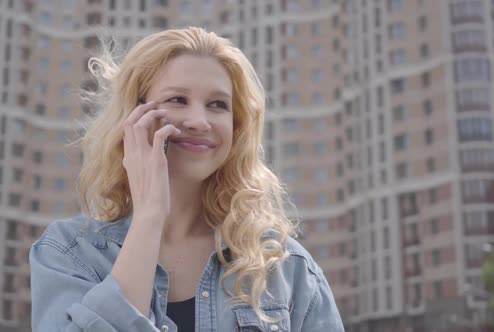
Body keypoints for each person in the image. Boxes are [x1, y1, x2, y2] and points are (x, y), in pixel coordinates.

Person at [30, 27, 345, 332]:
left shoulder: (287, 268)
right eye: (177, 99)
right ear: (134, 117)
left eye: (218, 105)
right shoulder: (70, 252)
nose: (198, 121)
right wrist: (149, 216)